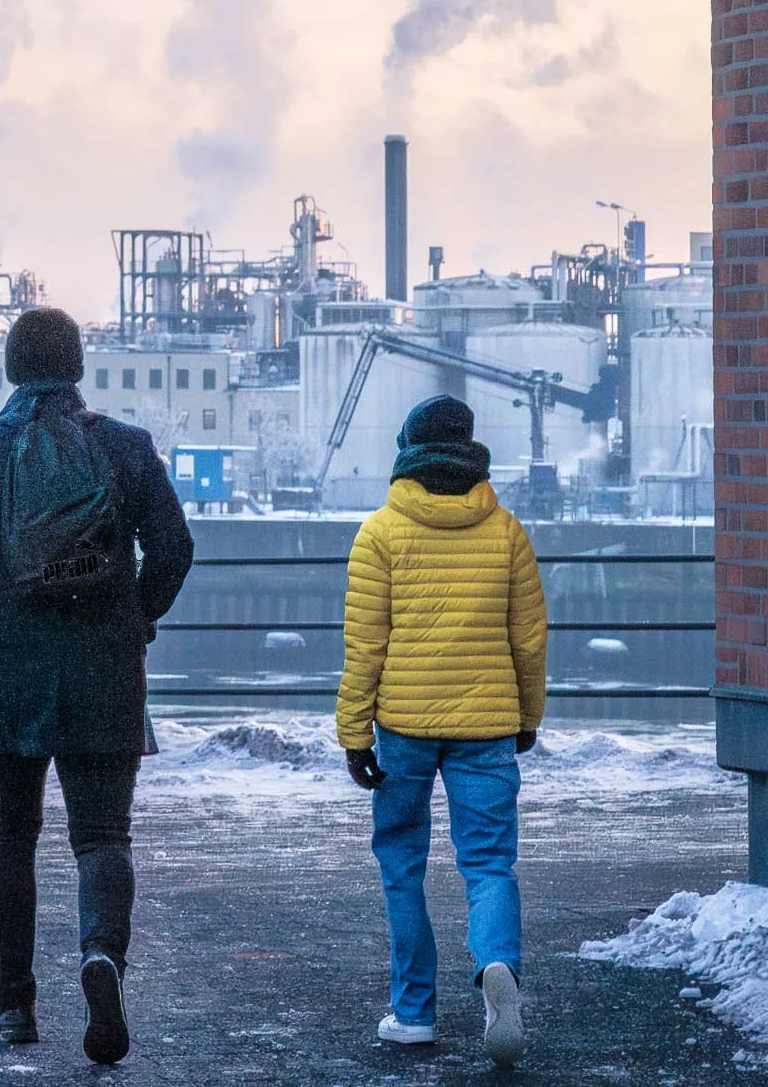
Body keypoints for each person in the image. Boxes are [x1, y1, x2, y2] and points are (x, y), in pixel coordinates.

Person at [0, 307, 194, 1065]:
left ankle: (14, 1008)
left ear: (9, 366)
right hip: (104, 665)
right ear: (78, 365)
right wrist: (136, 613)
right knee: (102, 835)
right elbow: (174, 546)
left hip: (9, 669)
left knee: (10, 835)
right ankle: (102, 956)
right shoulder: (125, 447)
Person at [336, 394, 547, 1069]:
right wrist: (528, 717)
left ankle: (414, 1011)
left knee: (403, 862)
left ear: (408, 450)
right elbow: (530, 640)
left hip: (403, 724)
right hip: (487, 724)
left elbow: (364, 645)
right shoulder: (506, 530)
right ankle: (497, 967)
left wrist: (354, 733)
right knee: (488, 862)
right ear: (470, 450)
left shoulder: (380, 532)